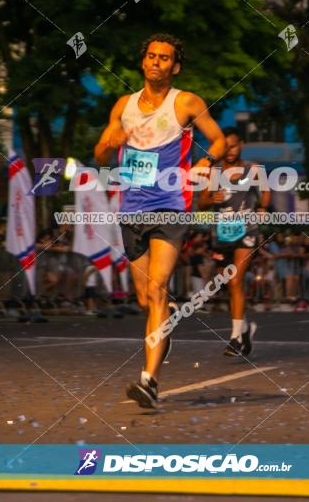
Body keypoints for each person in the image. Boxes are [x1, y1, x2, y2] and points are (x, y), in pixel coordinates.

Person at [93, 33, 225, 408]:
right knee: (143, 297)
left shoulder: (185, 102)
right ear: (143, 62)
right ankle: (163, 336)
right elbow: (101, 155)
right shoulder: (123, 105)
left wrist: (207, 162)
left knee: (158, 290)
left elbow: (217, 141)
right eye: (151, 56)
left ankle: (149, 380)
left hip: (170, 204)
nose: (156, 62)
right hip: (132, 208)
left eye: (164, 58)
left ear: (175, 66)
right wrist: (110, 141)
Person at [198, 127, 269, 357]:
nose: (230, 150)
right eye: (226, 146)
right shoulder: (214, 171)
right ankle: (246, 328)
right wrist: (211, 197)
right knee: (229, 284)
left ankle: (235, 338)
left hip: (246, 230)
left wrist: (262, 207)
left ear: (241, 145)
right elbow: (201, 203)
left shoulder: (254, 169)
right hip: (221, 232)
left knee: (236, 280)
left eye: (234, 145)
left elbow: (266, 191)